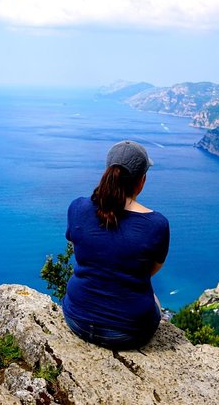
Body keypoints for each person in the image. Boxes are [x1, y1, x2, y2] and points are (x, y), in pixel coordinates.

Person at [62, 140, 170, 350]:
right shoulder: (157, 224)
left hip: (77, 319)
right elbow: (150, 271)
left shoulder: (77, 208)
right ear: (142, 181)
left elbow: (80, 251)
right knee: (154, 300)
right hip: (127, 333)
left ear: (108, 172)